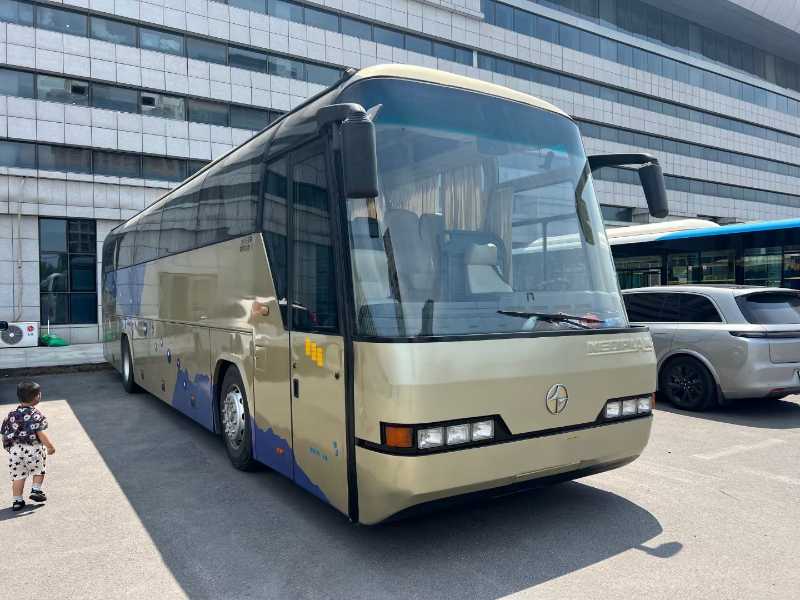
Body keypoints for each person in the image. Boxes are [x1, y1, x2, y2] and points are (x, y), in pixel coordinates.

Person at [1, 381, 55, 511]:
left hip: (15, 451)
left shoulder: (11, 414)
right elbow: (40, 433)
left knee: (18, 476)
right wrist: (50, 447)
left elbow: (4, 433)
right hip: (33, 449)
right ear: (37, 397)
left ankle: (17, 501)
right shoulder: (36, 415)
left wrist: (8, 447)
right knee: (38, 470)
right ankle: (36, 490)